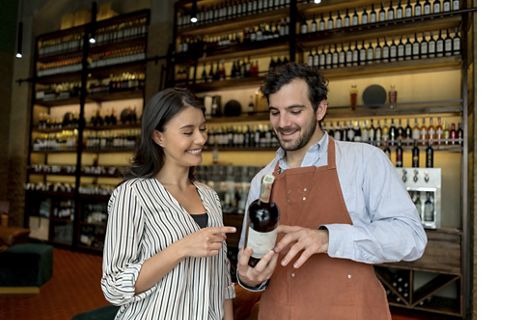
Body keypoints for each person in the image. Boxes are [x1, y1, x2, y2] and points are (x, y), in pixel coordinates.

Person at [236, 63, 428, 319]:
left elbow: (411, 239)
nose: (283, 123)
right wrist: (250, 279)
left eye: (295, 111)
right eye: (275, 112)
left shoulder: (364, 160)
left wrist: (328, 239)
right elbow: (250, 261)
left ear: (320, 109)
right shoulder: (263, 180)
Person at [101, 87, 236, 320]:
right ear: (158, 136)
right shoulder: (132, 195)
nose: (201, 139)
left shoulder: (210, 197)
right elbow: (113, 287)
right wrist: (182, 248)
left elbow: (221, 275)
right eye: (188, 132)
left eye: (202, 129)